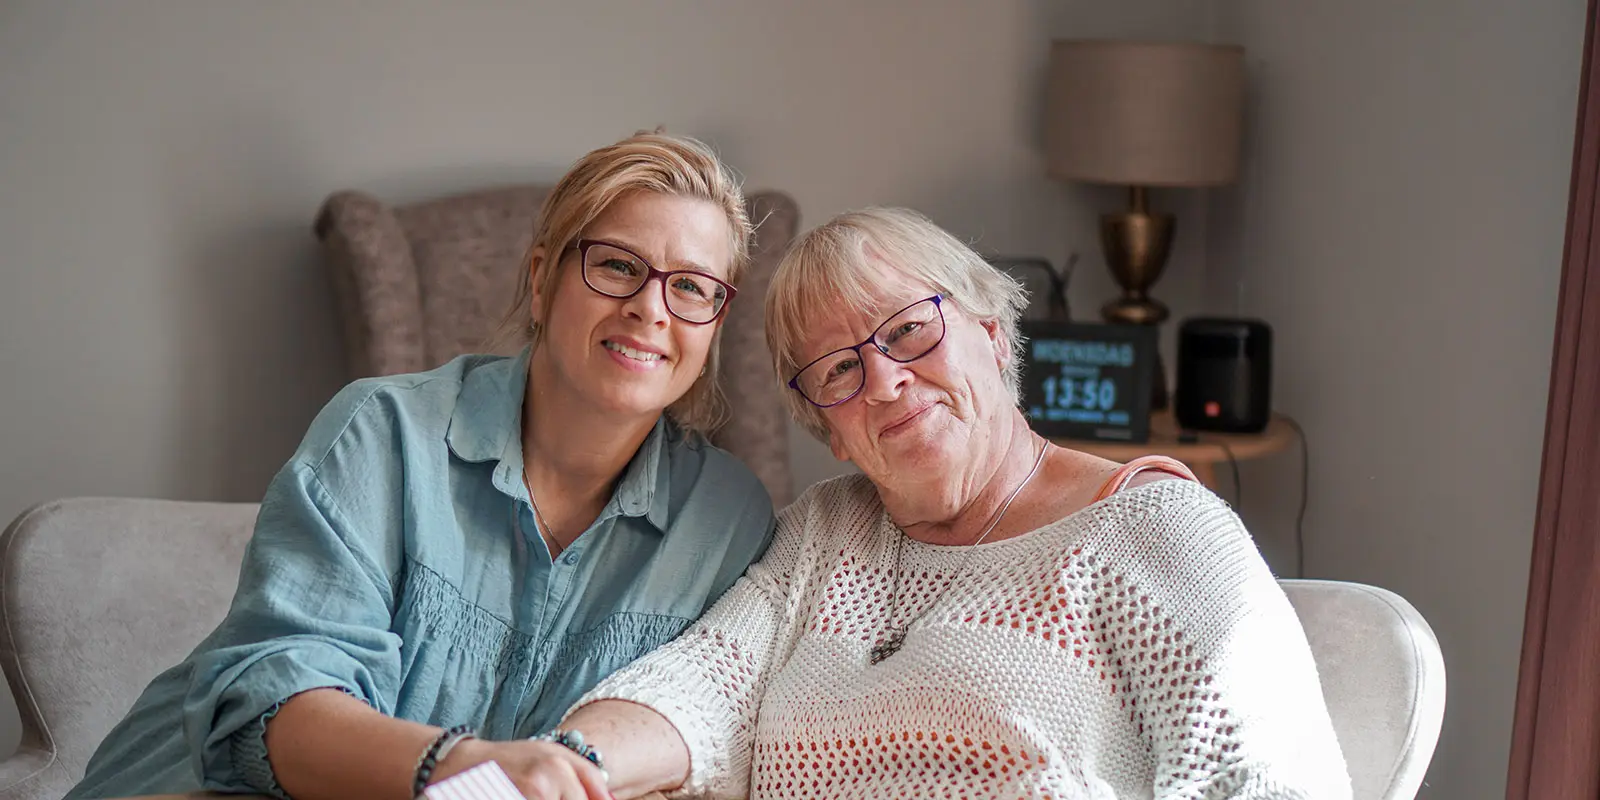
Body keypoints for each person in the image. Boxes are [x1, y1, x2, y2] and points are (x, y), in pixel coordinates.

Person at [530, 207, 1353, 799]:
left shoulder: (1157, 530)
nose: (885, 382)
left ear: (992, 334)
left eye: (909, 333)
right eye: (841, 373)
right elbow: (704, 682)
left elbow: (1271, 780)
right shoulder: (828, 531)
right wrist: (555, 768)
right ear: (833, 433)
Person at [65, 132, 777, 800]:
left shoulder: (726, 519)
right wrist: (466, 765)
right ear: (541, 280)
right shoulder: (383, 431)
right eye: (618, 265)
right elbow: (268, 706)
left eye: (692, 287)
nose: (651, 308)